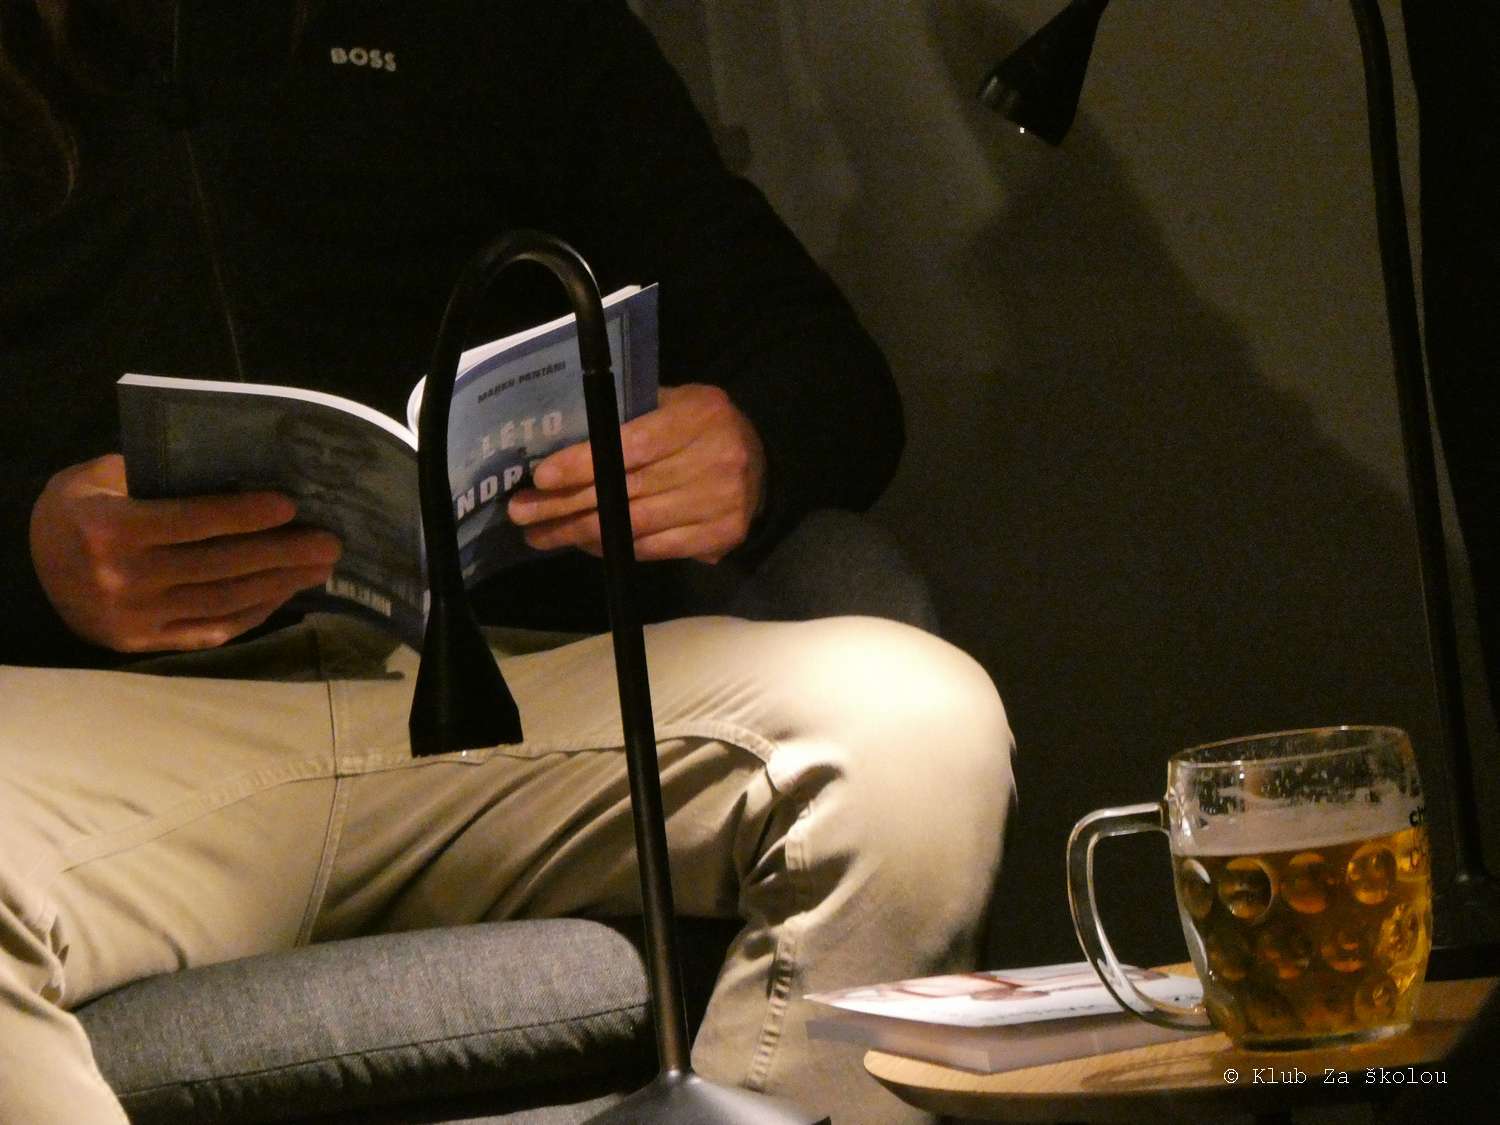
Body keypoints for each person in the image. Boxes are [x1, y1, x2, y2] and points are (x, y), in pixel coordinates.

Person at [0, 2, 1016, 1122]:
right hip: (98, 738)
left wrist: (751, 446)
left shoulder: (510, 24)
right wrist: (29, 555)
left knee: (917, 728)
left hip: (509, 701)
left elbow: (823, 362)